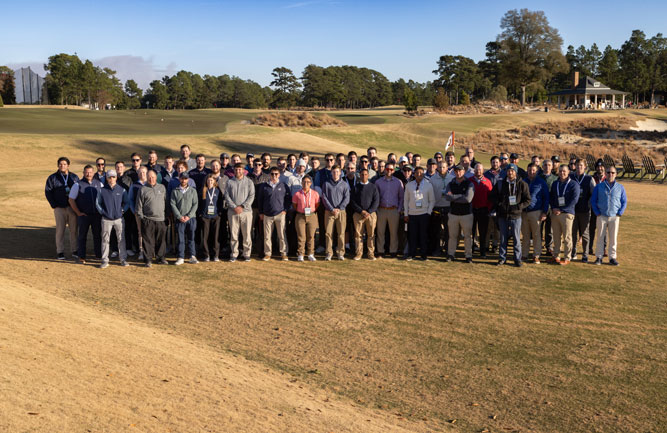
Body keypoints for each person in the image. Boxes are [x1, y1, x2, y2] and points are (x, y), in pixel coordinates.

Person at [492, 164, 531, 266]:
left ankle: (517, 259)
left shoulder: (522, 184)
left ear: (516, 172)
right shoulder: (500, 183)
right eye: (509, 171)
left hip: (516, 216)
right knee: (503, 238)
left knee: (516, 238)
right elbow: (493, 197)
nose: (510, 173)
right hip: (503, 215)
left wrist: (519, 207)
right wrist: (500, 205)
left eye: (512, 171)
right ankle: (502, 258)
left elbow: (528, 200)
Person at [591, 166, 626, 266]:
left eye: (613, 173)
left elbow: (624, 201)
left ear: (616, 174)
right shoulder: (599, 186)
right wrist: (597, 212)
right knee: (600, 237)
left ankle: (612, 257)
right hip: (601, 215)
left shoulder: (620, 187)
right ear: (605, 174)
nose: (610, 174)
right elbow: (593, 200)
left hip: (614, 216)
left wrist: (620, 213)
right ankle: (599, 257)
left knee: (613, 238)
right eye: (608, 172)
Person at [46, 157, 80, 259]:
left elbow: (79, 191)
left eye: (64, 164)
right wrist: (54, 205)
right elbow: (48, 192)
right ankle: (60, 251)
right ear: (58, 166)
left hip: (72, 208)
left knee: (73, 230)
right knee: (60, 230)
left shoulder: (74, 177)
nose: (62, 166)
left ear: (68, 165)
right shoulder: (52, 178)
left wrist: (77, 206)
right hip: (59, 208)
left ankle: (75, 250)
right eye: (60, 164)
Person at [68, 164, 103, 264]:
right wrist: (78, 213)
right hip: (84, 215)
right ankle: (81, 257)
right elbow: (71, 200)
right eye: (86, 172)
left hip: (96, 215)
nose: (89, 174)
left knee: (97, 235)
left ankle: (98, 255)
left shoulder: (99, 183)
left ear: (93, 173)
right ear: (83, 173)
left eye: (90, 172)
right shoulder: (77, 184)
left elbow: (104, 197)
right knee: (82, 236)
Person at [96, 169, 129, 268]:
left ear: (116, 177)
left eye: (113, 177)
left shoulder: (122, 190)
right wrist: (103, 212)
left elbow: (127, 202)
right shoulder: (102, 190)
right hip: (106, 219)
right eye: (110, 177)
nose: (112, 179)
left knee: (121, 239)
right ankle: (105, 260)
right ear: (106, 178)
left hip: (119, 219)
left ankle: (123, 259)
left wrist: (122, 211)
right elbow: (98, 203)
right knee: (105, 239)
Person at [136, 170, 168, 267]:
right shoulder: (143, 189)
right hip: (148, 219)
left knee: (161, 240)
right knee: (148, 241)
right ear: (147, 177)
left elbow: (166, 203)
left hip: (160, 220)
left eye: (153, 177)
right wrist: (143, 218)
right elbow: (139, 206)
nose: (151, 179)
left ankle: (160, 258)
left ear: (156, 177)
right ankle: (148, 260)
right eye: (149, 177)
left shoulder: (162, 188)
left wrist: (166, 216)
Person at [258, 167, 291, 261]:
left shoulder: (283, 186)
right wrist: (261, 212)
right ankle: (268, 253)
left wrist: (285, 210)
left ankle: (284, 253)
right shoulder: (264, 186)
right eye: (272, 174)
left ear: (279, 175)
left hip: (280, 214)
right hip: (267, 215)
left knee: (281, 235)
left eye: (276, 174)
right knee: (267, 236)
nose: (274, 176)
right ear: (269, 175)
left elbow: (288, 199)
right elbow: (260, 200)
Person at [549, 165, 580, 265]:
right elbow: (551, 197)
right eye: (560, 171)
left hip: (567, 214)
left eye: (564, 171)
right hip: (555, 213)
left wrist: (561, 210)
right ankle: (556, 256)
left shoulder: (573, 184)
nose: (562, 173)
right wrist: (554, 208)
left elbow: (574, 200)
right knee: (556, 236)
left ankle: (567, 257)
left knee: (567, 237)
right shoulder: (555, 183)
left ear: (569, 172)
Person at [225, 163, 255, 262]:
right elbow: (227, 196)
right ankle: (234, 254)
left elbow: (251, 196)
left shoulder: (249, 182)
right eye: (236, 169)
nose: (238, 171)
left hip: (246, 212)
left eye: (240, 169)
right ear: (234, 170)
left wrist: (242, 206)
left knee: (246, 234)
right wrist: (234, 207)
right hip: (233, 212)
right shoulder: (229, 182)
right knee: (234, 234)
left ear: (243, 170)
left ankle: (246, 254)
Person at [404, 166, 435, 261]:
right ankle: (411, 254)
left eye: (421, 173)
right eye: (417, 173)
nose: (419, 175)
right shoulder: (409, 185)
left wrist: (428, 213)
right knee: (412, 235)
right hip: (412, 214)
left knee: (423, 235)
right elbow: (406, 200)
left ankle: (423, 255)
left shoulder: (428, 185)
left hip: (424, 214)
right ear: (414, 174)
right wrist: (406, 213)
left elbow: (432, 200)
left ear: (423, 174)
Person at [445, 165, 475, 263]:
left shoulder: (469, 183)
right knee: (452, 236)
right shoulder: (451, 183)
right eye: (456, 171)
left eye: (460, 171)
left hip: (466, 215)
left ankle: (468, 255)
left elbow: (468, 199)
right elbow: (448, 197)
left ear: (464, 171)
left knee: (467, 236)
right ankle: (451, 254)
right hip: (453, 214)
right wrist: (460, 196)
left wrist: (454, 197)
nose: (458, 173)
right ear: (454, 172)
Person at [375, 162, 404, 258]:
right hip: (381, 210)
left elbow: (401, 197)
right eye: (387, 169)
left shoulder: (398, 182)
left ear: (394, 170)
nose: (389, 171)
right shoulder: (378, 182)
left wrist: (399, 209)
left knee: (393, 232)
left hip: (393, 210)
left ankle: (393, 251)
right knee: (380, 232)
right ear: (385, 170)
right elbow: (376, 197)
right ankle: (380, 251)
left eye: (391, 169)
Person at [521, 163, 549, 264]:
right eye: (529, 170)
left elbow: (546, 198)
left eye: (533, 170)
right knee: (525, 235)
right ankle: (524, 254)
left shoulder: (541, 182)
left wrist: (544, 212)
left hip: (536, 212)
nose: (531, 172)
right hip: (524, 212)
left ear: (536, 171)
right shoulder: (523, 182)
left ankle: (536, 255)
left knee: (537, 235)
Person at [570, 159, 596, 263]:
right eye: (577, 165)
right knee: (572, 233)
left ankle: (585, 254)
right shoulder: (571, 177)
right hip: (572, 210)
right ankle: (573, 252)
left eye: (581, 165)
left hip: (585, 210)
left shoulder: (589, 178)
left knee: (585, 234)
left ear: (585, 167)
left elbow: (593, 194)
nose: (579, 167)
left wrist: (588, 205)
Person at [350, 168, 380, 260]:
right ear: (359, 175)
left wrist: (369, 211)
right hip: (359, 214)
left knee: (371, 234)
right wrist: (361, 211)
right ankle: (359, 253)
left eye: (365, 174)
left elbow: (376, 201)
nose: (364, 176)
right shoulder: (356, 187)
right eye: (362, 174)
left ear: (368, 175)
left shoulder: (373, 187)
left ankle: (370, 254)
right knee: (358, 235)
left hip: (371, 215)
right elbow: (352, 201)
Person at [321, 165, 350, 261]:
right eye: (334, 172)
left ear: (340, 172)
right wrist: (331, 208)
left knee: (341, 233)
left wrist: (339, 208)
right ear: (331, 173)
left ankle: (340, 253)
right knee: (328, 233)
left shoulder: (344, 184)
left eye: (337, 172)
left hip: (341, 212)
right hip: (329, 212)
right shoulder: (326, 184)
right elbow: (324, 197)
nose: (335, 174)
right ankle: (329, 253)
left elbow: (347, 198)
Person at [170, 172, 199, 266]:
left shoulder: (193, 190)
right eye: (182, 178)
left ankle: (192, 256)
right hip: (180, 219)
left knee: (191, 238)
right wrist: (179, 216)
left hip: (191, 218)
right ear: (179, 179)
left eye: (185, 179)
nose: (184, 180)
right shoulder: (175, 191)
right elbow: (172, 204)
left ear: (188, 180)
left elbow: (195, 204)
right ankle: (180, 257)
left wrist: (189, 216)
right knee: (181, 239)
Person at [428, 160, 454, 256]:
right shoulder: (432, 179)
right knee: (436, 231)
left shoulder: (452, 179)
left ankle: (448, 250)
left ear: (447, 168)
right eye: (440, 167)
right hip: (436, 208)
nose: (442, 169)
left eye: (443, 167)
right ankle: (437, 250)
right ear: (437, 168)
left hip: (448, 208)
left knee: (448, 231)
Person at [293, 176, 320, 261]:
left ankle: (310, 254)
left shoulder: (315, 193)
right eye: (304, 182)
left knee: (311, 236)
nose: (306, 183)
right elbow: (295, 205)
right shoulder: (297, 194)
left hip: (312, 216)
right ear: (301, 183)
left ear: (311, 183)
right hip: (300, 216)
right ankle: (301, 254)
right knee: (301, 236)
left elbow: (317, 205)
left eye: (308, 182)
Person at [198, 174, 223, 262]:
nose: (210, 182)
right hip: (205, 217)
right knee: (205, 236)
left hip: (215, 216)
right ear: (206, 181)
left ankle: (216, 255)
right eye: (208, 180)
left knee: (215, 236)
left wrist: (219, 213)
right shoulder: (202, 191)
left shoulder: (217, 191)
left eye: (211, 180)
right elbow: (199, 203)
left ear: (214, 182)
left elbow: (220, 203)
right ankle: (206, 255)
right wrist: (200, 214)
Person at [470, 163, 493, 259]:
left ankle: (482, 251)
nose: (478, 171)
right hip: (472, 210)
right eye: (476, 169)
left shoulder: (487, 181)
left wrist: (488, 208)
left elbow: (490, 197)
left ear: (483, 170)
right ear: (474, 170)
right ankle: (470, 250)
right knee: (471, 232)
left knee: (483, 232)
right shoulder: (470, 181)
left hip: (483, 210)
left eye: (480, 169)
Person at [248, 159, 270, 257]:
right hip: (250, 207)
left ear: (262, 166)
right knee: (248, 230)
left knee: (261, 230)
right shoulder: (248, 177)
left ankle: (260, 250)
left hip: (262, 208)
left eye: (259, 164)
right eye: (255, 164)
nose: (257, 166)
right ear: (253, 165)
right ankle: (248, 250)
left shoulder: (266, 177)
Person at [127, 166, 148, 259]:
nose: (142, 174)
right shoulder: (134, 185)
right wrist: (133, 210)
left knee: (150, 232)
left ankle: (150, 250)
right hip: (138, 213)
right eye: (140, 172)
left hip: (150, 213)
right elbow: (130, 199)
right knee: (140, 232)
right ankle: (141, 251)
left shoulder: (151, 184)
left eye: (144, 172)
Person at [540, 159, 558, 256]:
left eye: (549, 165)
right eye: (545, 165)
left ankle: (549, 247)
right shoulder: (538, 177)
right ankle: (537, 246)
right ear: (542, 166)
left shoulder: (555, 179)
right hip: (540, 206)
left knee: (549, 229)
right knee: (538, 228)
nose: (547, 167)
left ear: (552, 167)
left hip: (551, 207)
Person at [589, 159, 606, 256]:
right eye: (598, 167)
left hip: (603, 208)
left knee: (603, 229)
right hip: (593, 207)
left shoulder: (607, 178)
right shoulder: (592, 178)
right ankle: (589, 247)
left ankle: (603, 249)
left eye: (601, 166)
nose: (600, 168)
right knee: (591, 228)